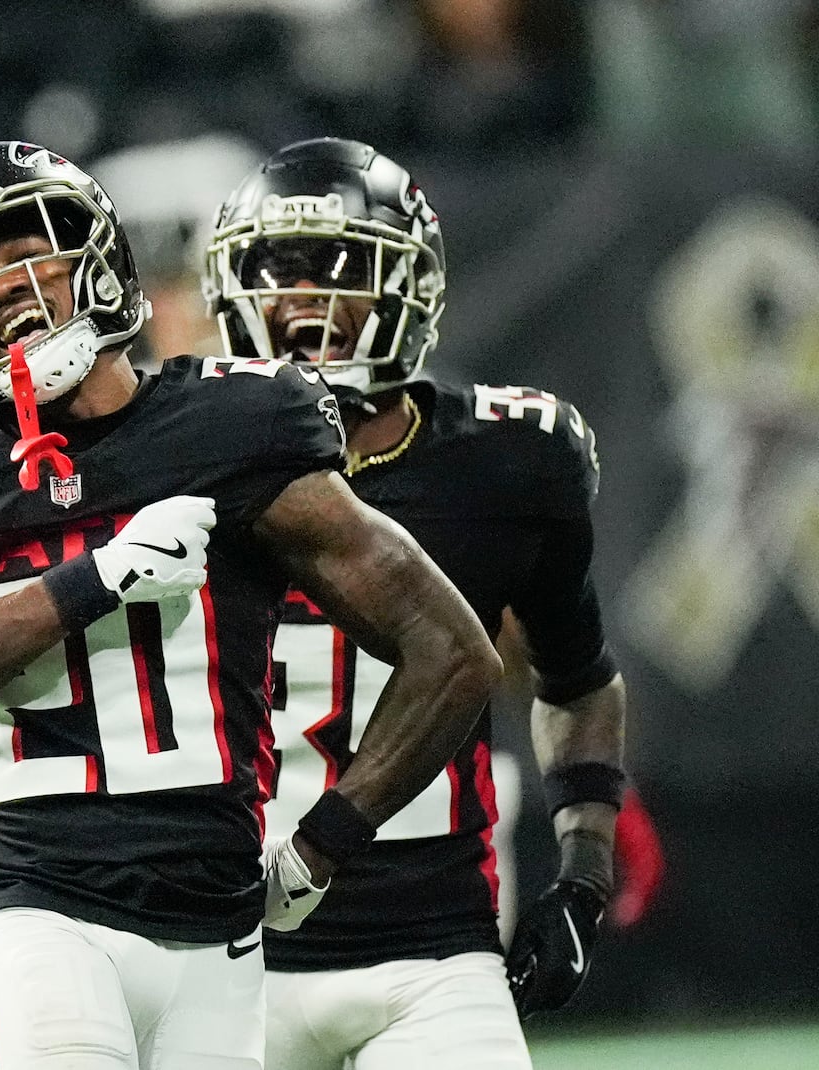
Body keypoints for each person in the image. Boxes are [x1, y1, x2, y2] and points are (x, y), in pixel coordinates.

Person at [0, 139, 502, 1069]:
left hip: (222, 926)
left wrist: (325, 841)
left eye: (18, 252)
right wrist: (93, 578)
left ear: (97, 258)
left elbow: (452, 649)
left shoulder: (231, 421)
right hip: (40, 904)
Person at [201, 136, 630, 1068]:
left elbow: (577, 678)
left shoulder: (509, 459)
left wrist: (584, 873)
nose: (299, 300)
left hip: (431, 954)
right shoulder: (180, 454)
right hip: (215, 958)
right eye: (274, 273)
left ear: (409, 290)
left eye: (333, 270)